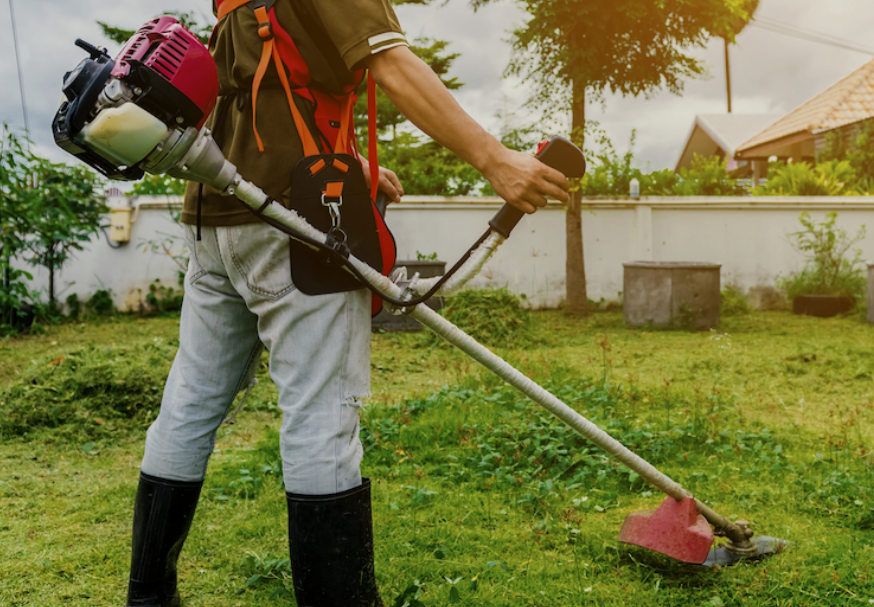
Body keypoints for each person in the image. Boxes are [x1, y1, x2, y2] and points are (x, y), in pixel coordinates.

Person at [124, 2, 570, 606]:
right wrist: (497, 160)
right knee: (321, 415)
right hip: (292, 218)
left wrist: (353, 161)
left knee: (188, 406)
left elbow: (263, 90)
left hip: (213, 215)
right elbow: (391, 63)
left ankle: (148, 597)